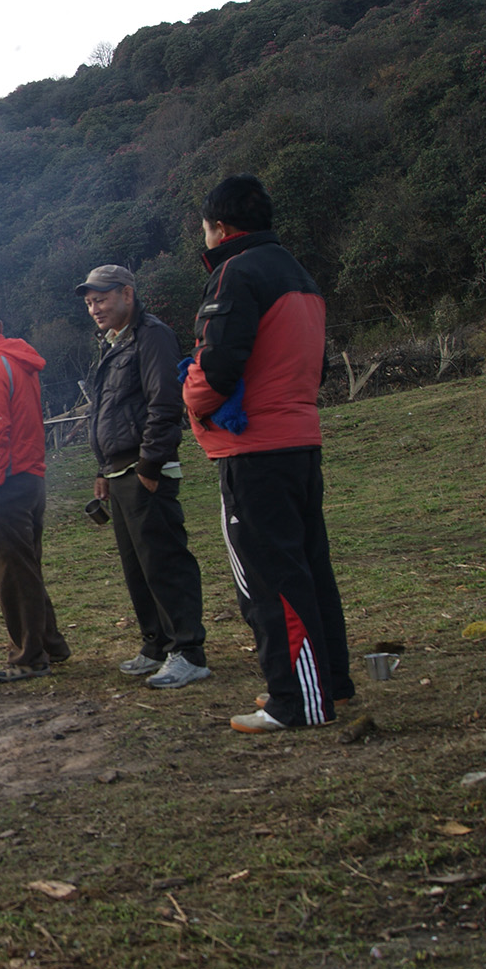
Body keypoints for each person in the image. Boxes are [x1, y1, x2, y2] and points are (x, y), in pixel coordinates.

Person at [183, 174, 354, 733]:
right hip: (300, 438)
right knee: (308, 565)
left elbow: (220, 362)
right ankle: (331, 682)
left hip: (255, 448)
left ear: (222, 228)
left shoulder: (237, 273)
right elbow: (316, 364)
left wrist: (192, 398)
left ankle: (296, 701)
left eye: (206, 230)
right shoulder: (298, 273)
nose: (205, 240)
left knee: (268, 576)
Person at [78, 264, 210, 690]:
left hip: (143, 469)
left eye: (102, 298)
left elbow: (165, 403)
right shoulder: (113, 343)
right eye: (90, 301)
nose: (94, 307)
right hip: (118, 470)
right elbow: (109, 410)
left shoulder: (150, 335)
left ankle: (188, 651)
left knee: (165, 561)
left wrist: (151, 465)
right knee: (138, 567)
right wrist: (102, 468)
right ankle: (156, 644)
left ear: (127, 295)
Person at [0, 300, 70, 682]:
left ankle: (29, 657)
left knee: (12, 572)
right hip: (32, 476)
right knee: (27, 565)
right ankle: (50, 643)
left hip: (5, 482)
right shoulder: (19, 362)